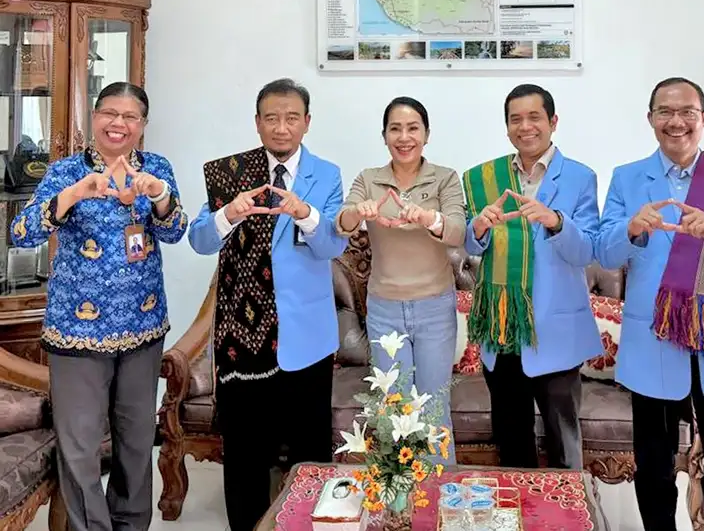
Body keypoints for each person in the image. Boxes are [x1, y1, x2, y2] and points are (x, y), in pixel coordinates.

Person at [10, 82, 187, 531]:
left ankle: (131, 525)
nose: (118, 124)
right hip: (77, 332)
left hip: (143, 326)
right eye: (110, 113)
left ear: (143, 125)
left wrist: (159, 194)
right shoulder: (66, 171)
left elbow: (175, 231)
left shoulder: (156, 168)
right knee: (81, 447)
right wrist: (75, 194)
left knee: (136, 442)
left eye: (130, 117)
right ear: (94, 117)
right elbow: (21, 232)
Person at [596, 77, 704, 531]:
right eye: (665, 112)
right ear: (651, 119)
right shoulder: (627, 178)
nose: (676, 121)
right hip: (655, 336)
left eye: (687, 112)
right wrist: (631, 229)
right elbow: (605, 251)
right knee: (653, 463)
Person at [188, 78, 349, 531]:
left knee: (309, 454)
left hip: (306, 337)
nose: (282, 127)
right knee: (245, 453)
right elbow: (200, 240)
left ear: (307, 123)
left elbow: (332, 245)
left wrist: (306, 214)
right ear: (257, 123)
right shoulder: (231, 174)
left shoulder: (326, 175)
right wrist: (229, 214)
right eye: (272, 118)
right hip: (243, 339)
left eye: (291, 118)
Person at [463, 83, 602, 470]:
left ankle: (567, 508)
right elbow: (471, 245)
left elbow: (587, 250)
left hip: (555, 332)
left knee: (564, 449)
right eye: (516, 119)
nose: (525, 127)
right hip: (503, 330)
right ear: (507, 127)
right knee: (512, 446)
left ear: (553, 122)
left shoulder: (579, 177)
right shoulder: (486, 178)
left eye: (534, 117)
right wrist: (479, 227)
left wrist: (556, 221)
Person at [335, 96, 465, 459]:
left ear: (426, 134)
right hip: (385, 311)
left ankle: (438, 489)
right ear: (384, 136)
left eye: (412, 128)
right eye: (395, 129)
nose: (404, 137)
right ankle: (398, 494)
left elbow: (458, 231)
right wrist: (357, 212)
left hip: (435, 309)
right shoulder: (368, 179)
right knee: (393, 410)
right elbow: (342, 222)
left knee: (433, 409)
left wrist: (428, 218)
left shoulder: (445, 178)